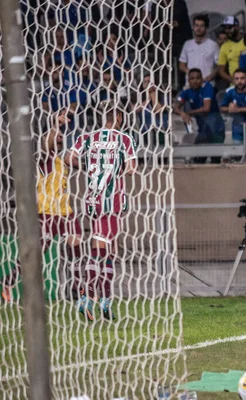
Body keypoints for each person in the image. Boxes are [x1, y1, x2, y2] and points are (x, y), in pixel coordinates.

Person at [64, 101, 138, 320]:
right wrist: (121, 168)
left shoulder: (86, 138)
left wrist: (87, 168)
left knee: (108, 251)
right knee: (102, 250)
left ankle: (104, 302)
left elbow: (69, 158)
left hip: (92, 199)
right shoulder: (124, 138)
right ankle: (87, 296)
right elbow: (133, 169)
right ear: (119, 118)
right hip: (113, 200)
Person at [2, 112, 83, 304]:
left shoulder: (61, 161)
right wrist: (55, 124)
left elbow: (77, 162)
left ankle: (77, 288)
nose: (61, 137)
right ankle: (8, 282)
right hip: (46, 213)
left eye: (62, 135)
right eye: (58, 135)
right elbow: (48, 144)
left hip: (66, 213)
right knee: (36, 253)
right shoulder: (43, 158)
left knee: (77, 244)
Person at [175, 68, 225, 145]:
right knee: (198, 154)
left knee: (215, 154)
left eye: (198, 78)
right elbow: (175, 107)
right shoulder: (187, 90)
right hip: (202, 127)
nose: (195, 81)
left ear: (202, 79)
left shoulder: (207, 87)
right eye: (192, 78)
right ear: (188, 80)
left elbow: (206, 108)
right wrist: (182, 113)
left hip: (215, 127)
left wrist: (189, 113)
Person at [178, 14, 219, 87]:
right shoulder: (187, 44)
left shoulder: (213, 45)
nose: (198, 28)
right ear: (193, 27)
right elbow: (181, 65)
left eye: (201, 26)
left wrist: (209, 78)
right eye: (196, 25)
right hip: (189, 85)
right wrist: (190, 73)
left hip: (207, 85)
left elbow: (219, 66)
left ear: (206, 28)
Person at [217, 16, 246, 85]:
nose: (227, 31)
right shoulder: (224, 46)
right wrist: (231, 79)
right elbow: (221, 69)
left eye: (229, 28)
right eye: (225, 28)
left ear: (237, 27)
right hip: (235, 85)